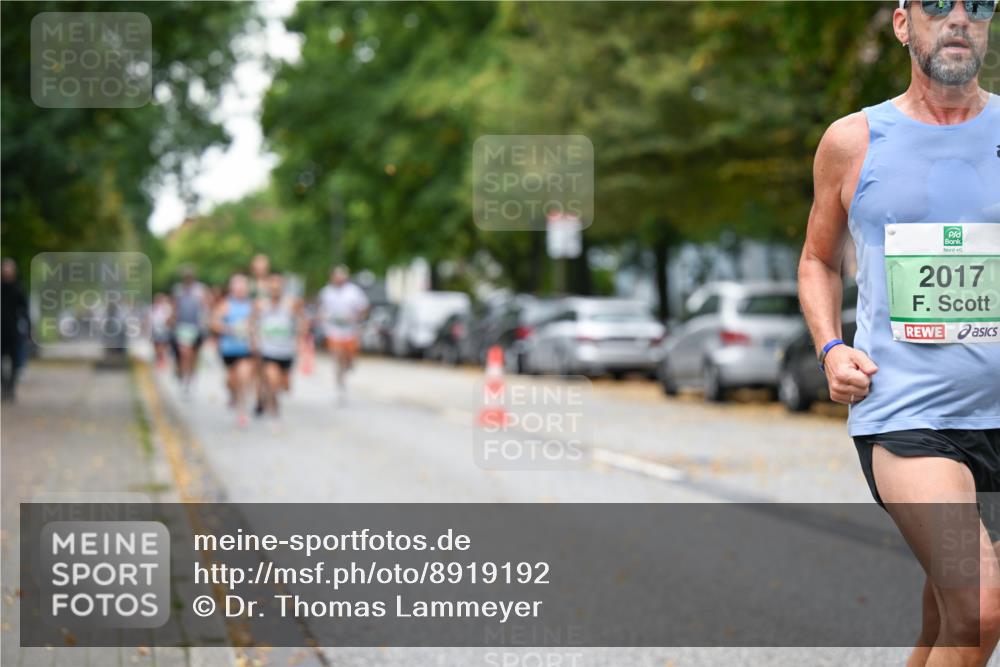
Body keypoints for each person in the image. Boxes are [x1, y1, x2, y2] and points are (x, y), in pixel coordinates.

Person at [798, 2, 999, 664]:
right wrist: (832, 347)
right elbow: (818, 260)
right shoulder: (855, 140)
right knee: (979, 609)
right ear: (903, 24)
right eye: (938, 4)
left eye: (979, 5)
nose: (960, 18)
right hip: (909, 414)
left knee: (946, 615)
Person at [253, 274, 306, 417]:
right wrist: (254, 341)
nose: (275, 290)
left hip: (286, 351)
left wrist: (301, 337)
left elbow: (302, 322)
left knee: (285, 387)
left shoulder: (291, 304)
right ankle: (273, 407)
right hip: (268, 350)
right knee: (272, 379)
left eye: (278, 288)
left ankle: (268, 397)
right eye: (272, 288)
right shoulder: (260, 305)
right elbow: (252, 323)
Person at [316, 265, 369, 404]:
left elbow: (364, 308)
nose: (339, 278)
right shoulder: (326, 292)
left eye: (342, 275)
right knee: (337, 355)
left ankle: (347, 365)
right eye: (336, 275)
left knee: (348, 359)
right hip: (333, 331)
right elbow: (321, 308)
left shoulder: (354, 292)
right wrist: (323, 318)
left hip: (350, 331)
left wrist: (358, 318)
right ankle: (340, 385)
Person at [212, 274, 255, 427]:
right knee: (232, 381)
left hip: (246, 349)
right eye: (237, 287)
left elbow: (258, 324)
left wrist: (251, 329)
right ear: (232, 289)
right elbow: (214, 323)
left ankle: (242, 412)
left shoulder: (252, 305)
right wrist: (229, 328)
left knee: (244, 377)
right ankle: (232, 395)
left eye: (243, 287)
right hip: (229, 350)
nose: (241, 290)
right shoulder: (225, 305)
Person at [170, 267, 211, 394]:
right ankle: (184, 379)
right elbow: (175, 307)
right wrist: (172, 320)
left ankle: (190, 379)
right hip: (182, 327)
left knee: (193, 355)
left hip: (197, 327)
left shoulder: (200, 290)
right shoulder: (178, 290)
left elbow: (206, 306)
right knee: (184, 353)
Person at [1, 259, 30, 402]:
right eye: (4, 269)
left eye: (8, 269)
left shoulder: (18, 288)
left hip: (13, 331)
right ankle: (4, 385)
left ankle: (10, 388)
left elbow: (25, 310)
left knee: (15, 361)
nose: (6, 272)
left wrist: (28, 330)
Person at [150, 293, 173, 370]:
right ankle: (159, 361)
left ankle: (162, 362)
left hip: (163, 331)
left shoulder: (166, 308)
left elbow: (169, 320)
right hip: (155, 331)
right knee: (157, 347)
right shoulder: (153, 308)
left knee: (162, 347)